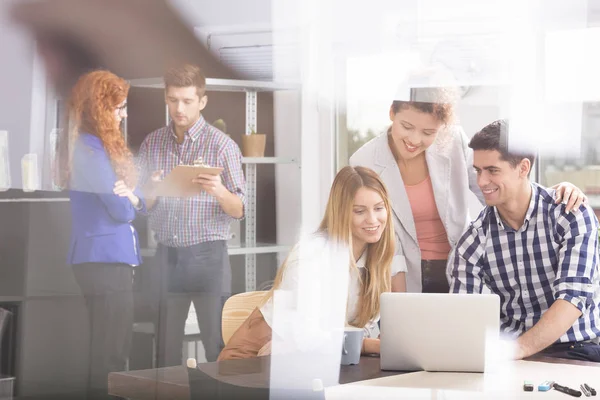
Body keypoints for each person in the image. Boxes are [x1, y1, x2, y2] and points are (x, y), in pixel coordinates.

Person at [350, 71, 587, 293]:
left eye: (428, 132)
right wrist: (398, 301)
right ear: (392, 112)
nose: (414, 140)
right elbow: (381, 236)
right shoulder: (364, 160)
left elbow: (493, 188)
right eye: (407, 127)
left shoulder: (452, 141)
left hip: (462, 265)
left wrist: (550, 197)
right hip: (400, 272)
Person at [450, 119, 600, 362]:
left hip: (575, 351)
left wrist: (517, 350)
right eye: (478, 170)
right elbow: (466, 314)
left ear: (523, 168)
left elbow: (572, 299)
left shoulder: (569, 215)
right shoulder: (473, 240)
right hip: (509, 355)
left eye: (492, 170)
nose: (481, 182)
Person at [218, 165, 401, 361]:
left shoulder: (376, 258)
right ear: (341, 213)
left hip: (308, 362)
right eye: (359, 211)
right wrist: (368, 345)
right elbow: (308, 337)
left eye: (379, 208)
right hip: (251, 362)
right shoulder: (313, 254)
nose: (373, 219)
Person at [138, 64, 246, 365]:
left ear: (202, 101)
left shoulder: (222, 146)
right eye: (173, 100)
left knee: (217, 345)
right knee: (164, 350)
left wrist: (219, 191)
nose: (179, 108)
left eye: (186, 101)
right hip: (167, 256)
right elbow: (140, 205)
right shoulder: (153, 143)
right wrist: (152, 189)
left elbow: (239, 210)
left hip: (208, 257)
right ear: (166, 98)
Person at [58, 70, 146, 399]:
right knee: (110, 353)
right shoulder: (91, 151)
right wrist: (132, 200)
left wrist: (134, 197)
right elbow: (120, 209)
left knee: (109, 348)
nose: (124, 114)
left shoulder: (92, 147)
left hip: (106, 261)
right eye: (119, 107)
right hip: (104, 262)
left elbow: (132, 201)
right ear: (101, 109)